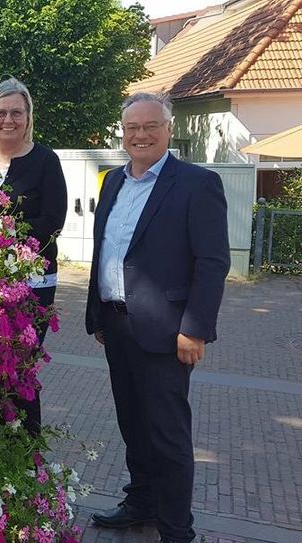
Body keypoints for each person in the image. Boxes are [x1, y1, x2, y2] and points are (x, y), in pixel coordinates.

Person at [85, 92, 229, 543]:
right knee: (133, 424)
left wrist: (195, 327)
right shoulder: (112, 182)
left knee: (167, 435)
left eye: (150, 126)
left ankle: (175, 530)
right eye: (132, 128)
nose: (140, 135)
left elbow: (212, 261)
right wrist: (101, 314)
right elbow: (107, 250)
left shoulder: (196, 183)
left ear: (168, 129)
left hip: (169, 333)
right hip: (117, 324)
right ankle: (141, 502)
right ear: (122, 132)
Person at [0, 77, 68, 435]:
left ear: (28, 117)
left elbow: (53, 221)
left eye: (17, 113)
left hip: (32, 282)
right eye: (1, 112)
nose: (9, 120)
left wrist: (2, 228)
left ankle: (26, 447)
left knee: (20, 365)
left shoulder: (44, 160)